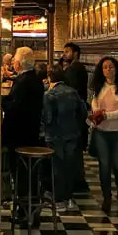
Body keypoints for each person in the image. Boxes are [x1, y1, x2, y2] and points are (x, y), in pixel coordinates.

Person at [1, 47, 45, 227]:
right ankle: (29, 209)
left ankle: (25, 211)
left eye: (13, 62)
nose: (12, 64)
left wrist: (1, 102)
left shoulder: (23, 81)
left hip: (19, 135)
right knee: (29, 175)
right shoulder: (34, 79)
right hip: (31, 132)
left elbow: (15, 108)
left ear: (18, 63)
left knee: (20, 173)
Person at [89, 56, 118, 214]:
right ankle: (106, 196)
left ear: (116, 68)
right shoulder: (100, 86)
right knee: (105, 164)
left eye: (111, 67)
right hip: (102, 132)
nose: (108, 70)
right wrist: (96, 112)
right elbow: (94, 101)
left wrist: (107, 115)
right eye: (105, 67)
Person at [41, 65, 87, 212]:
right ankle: (69, 197)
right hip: (72, 134)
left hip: (55, 135)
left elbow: (47, 118)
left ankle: (59, 199)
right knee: (69, 166)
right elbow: (83, 111)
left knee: (57, 167)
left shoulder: (49, 95)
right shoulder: (72, 92)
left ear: (49, 78)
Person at [62, 43, 90, 194]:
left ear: (76, 53)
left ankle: (76, 182)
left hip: (75, 114)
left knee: (74, 149)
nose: (64, 54)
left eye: (67, 52)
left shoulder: (74, 69)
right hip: (79, 112)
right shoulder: (78, 67)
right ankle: (79, 181)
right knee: (76, 149)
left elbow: (70, 91)